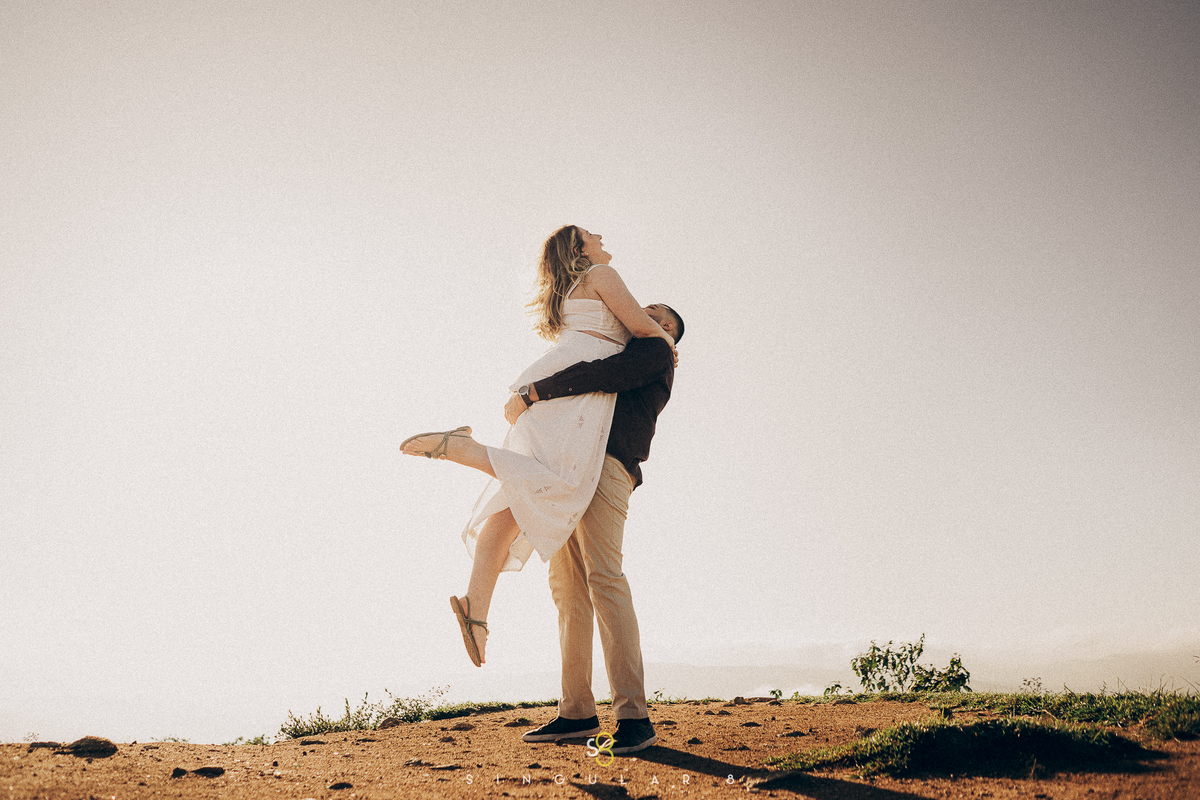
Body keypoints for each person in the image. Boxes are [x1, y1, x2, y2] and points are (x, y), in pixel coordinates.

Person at [399, 226, 674, 668]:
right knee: (562, 487)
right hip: (575, 397)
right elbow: (643, 329)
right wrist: (667, 340)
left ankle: (476, 608)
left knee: (514, 500)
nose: (600, 235)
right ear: (580, 249)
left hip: (555, 385)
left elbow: (635, 327)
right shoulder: (603, 274)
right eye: (590, 234)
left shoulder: (569, 291)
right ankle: (465, 449)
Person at [509, 301, 682, 756]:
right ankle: (576, 711)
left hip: (607, 466)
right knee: (566, 586)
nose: (632, 310)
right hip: (573, 467)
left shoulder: (655, 350)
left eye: (648, 309)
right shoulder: (632, 346)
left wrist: (535, 392)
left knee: (605, 578)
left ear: (665, 327)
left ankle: (634, 717)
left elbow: (605, 374)